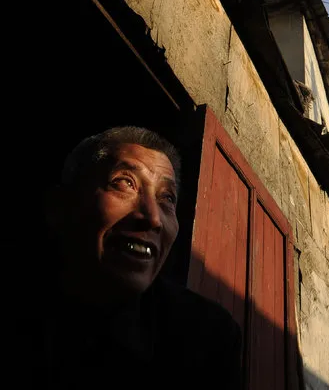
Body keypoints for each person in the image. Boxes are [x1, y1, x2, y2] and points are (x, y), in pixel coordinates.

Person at [13, 126, 242, 389]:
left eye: (167, 198)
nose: (153, 218)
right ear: (60, 207)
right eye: (125, 183)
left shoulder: (206, 338)